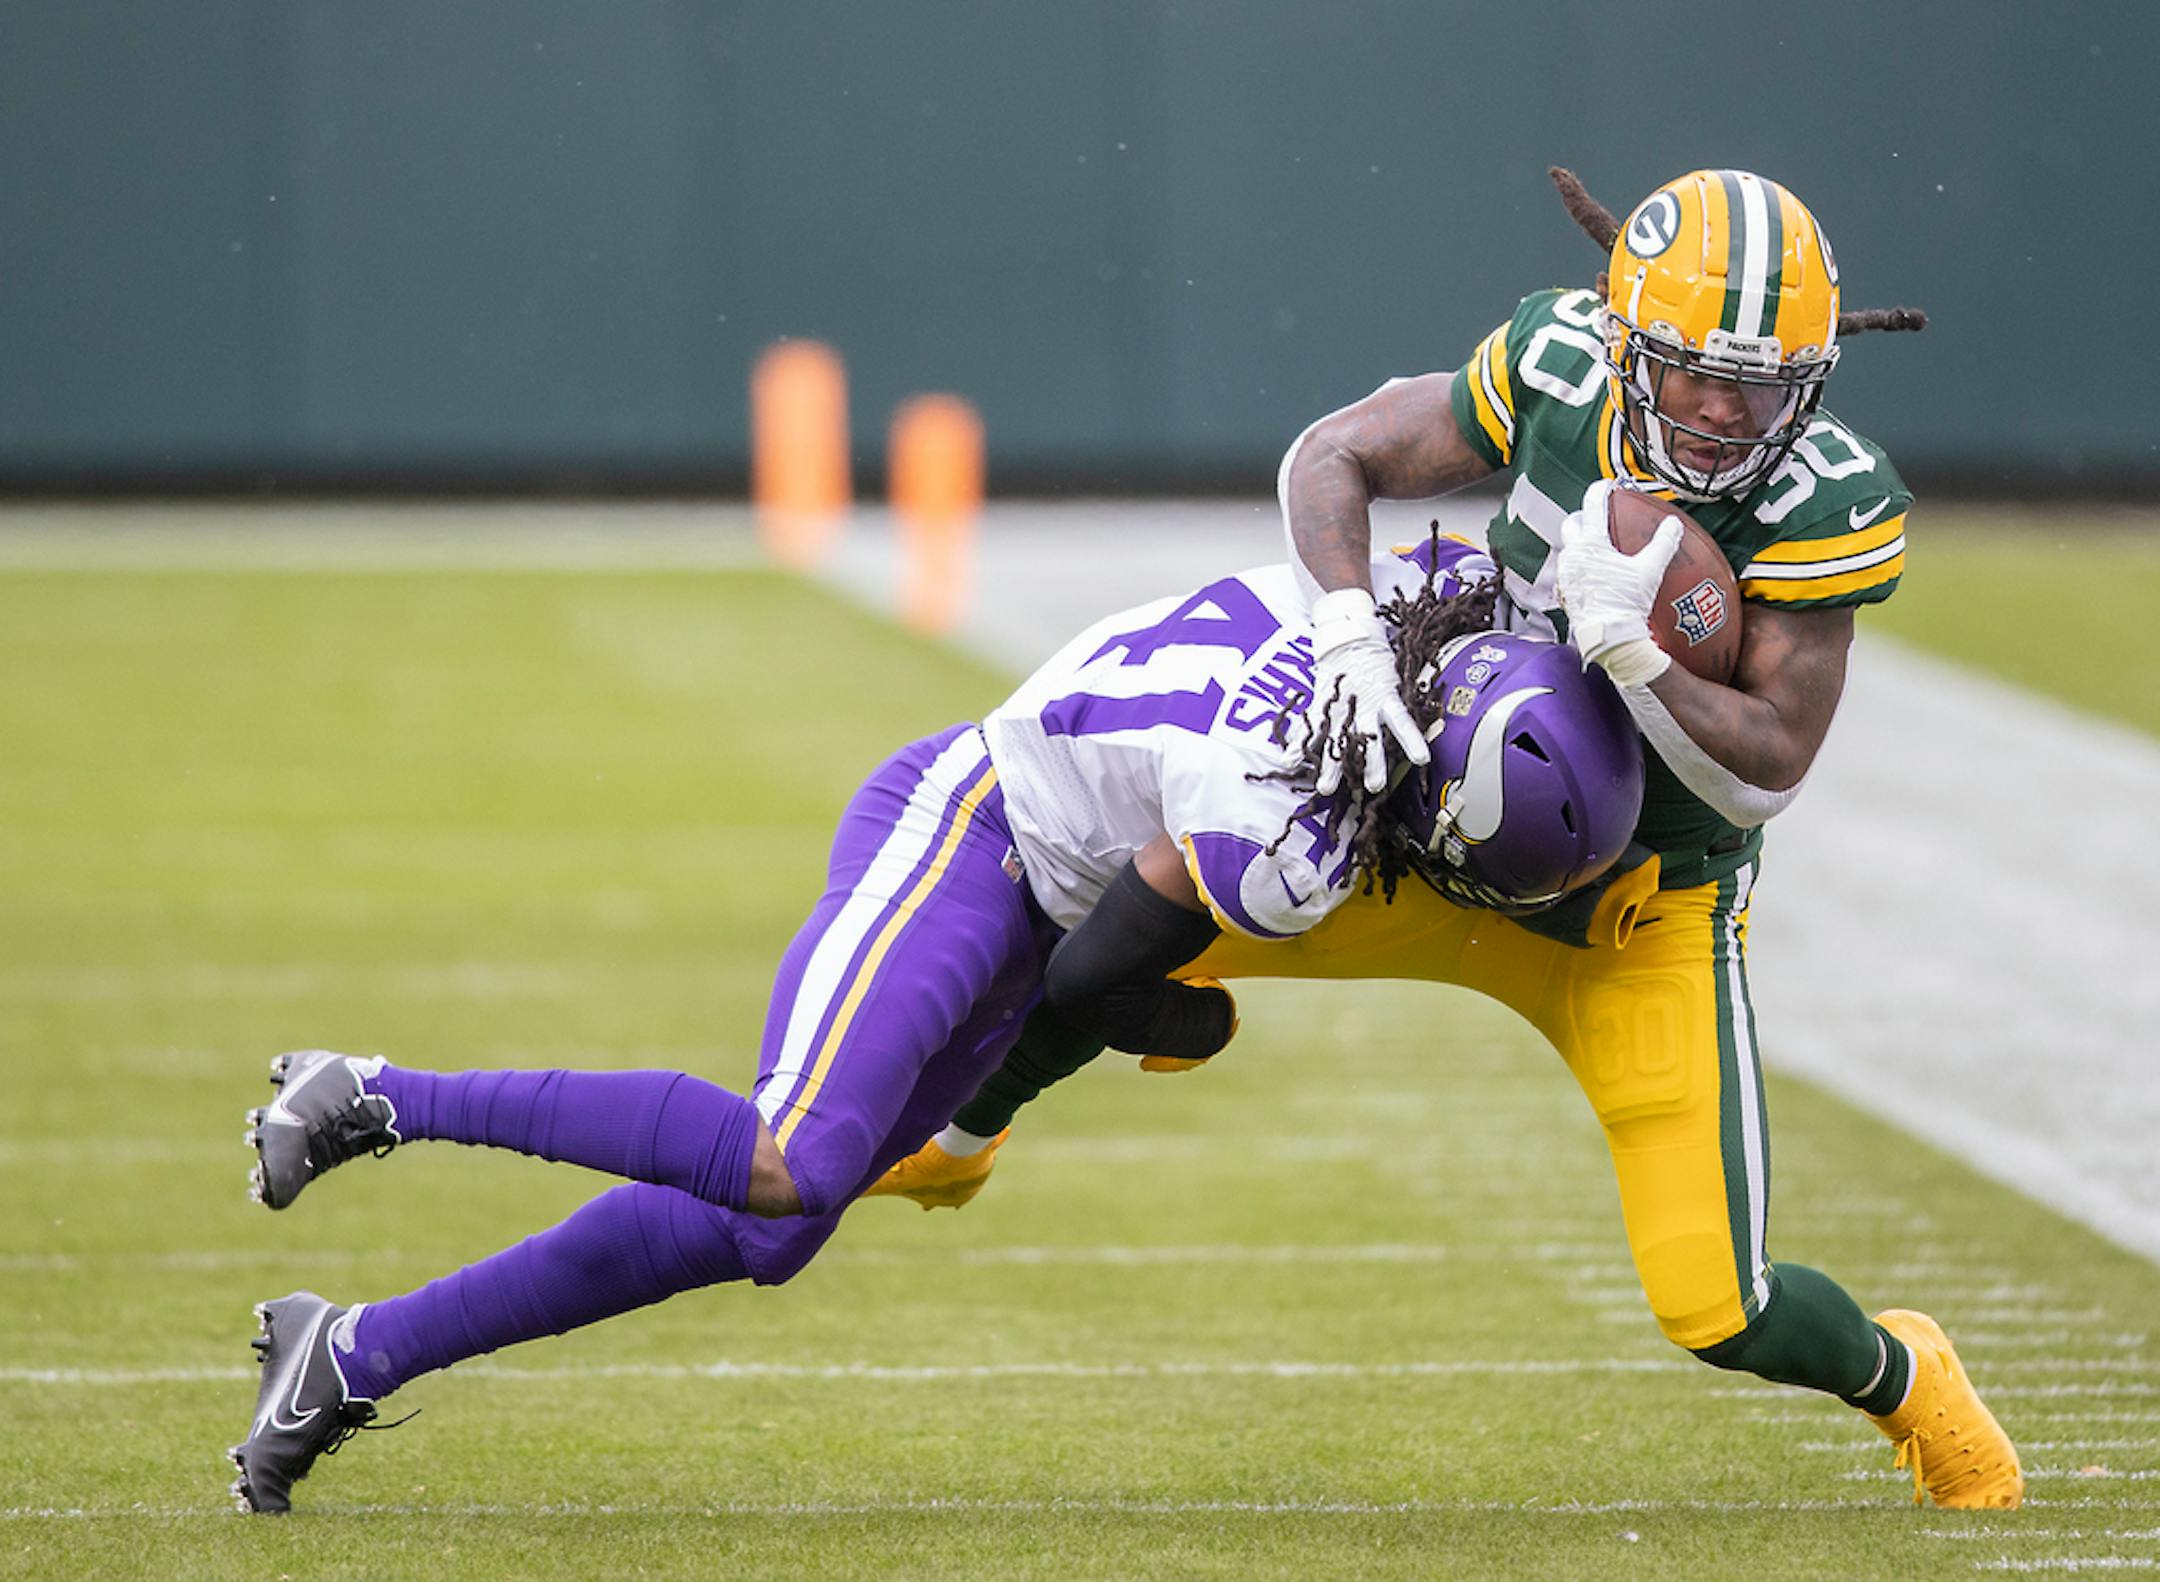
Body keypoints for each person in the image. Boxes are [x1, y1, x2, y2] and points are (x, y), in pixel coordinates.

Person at [874, 167, 2023, 1511]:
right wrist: (1348, 627)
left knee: (1721, 1302)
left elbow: (1772, 766)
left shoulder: (1825, 501)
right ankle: (957, 1140)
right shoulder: (1559, 364)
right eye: (1697, 371)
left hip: (1638, 911)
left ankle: (1906, 1375)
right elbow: (1334, 452)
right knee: (1165, 879)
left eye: (1761, 382)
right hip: (1446, 809)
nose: (1723, 410)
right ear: (1628, 337)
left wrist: (1638, 664)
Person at [225, 538, 1645, 1513]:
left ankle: (349, 1353)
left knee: (770, 1225)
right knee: (786, 1159)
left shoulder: (1413, 599)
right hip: (967, 832)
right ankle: (378, 1090)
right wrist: (1195, 1025)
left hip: (1027, 886)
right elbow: (1095, 982)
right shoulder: (1295, 836)